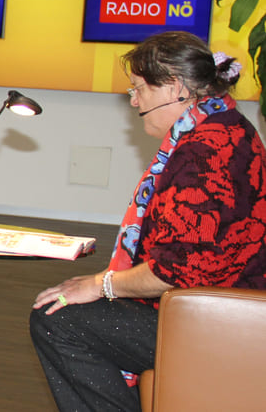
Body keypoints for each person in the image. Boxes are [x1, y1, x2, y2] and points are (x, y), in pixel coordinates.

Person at [29, 32, 266, 412]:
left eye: (138, 88)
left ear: (174, 88)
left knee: (57, 319)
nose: (133, 100)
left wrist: (100, 284)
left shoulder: (202, 153)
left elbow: (175, 272)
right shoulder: (228, 125)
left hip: (212, 322)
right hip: (223, 308)